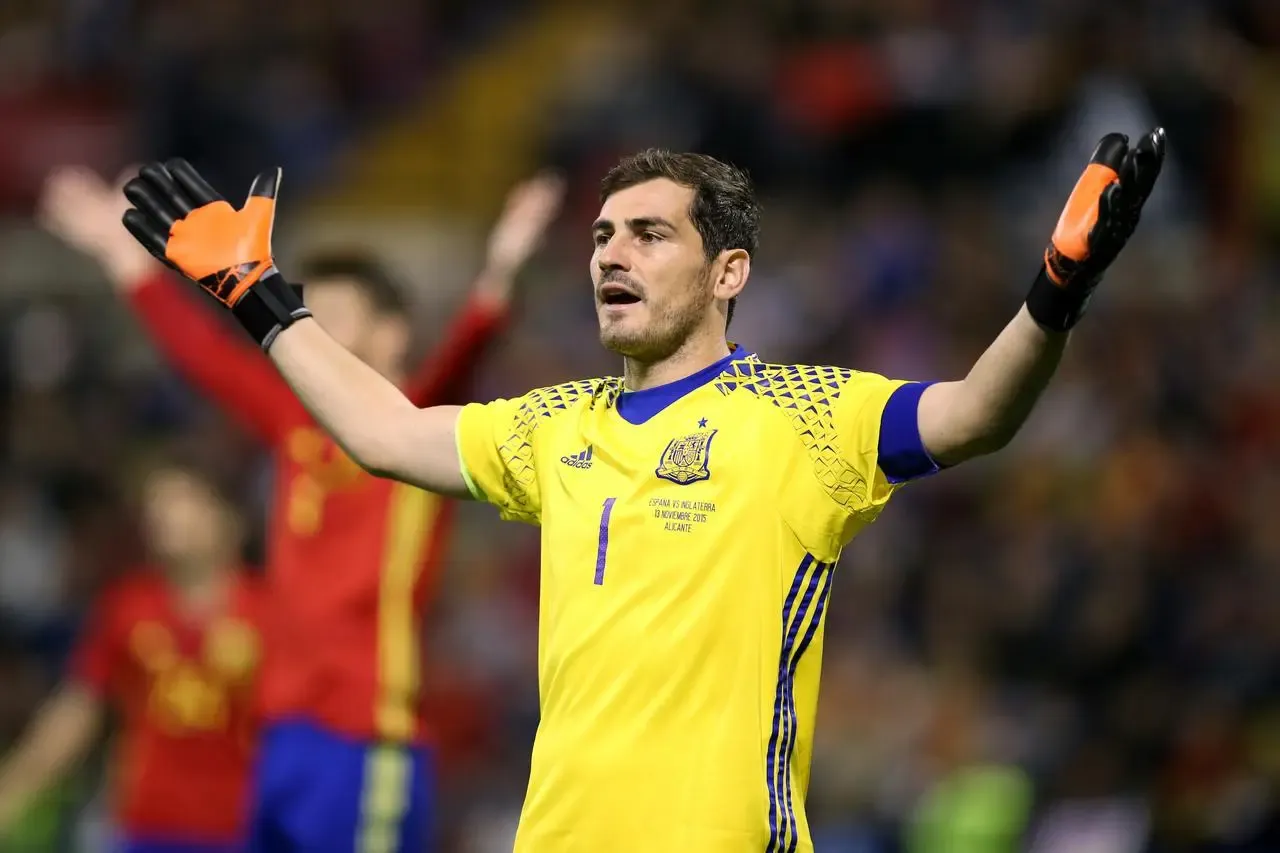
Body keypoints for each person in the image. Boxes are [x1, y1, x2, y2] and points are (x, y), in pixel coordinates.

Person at [115, 130, 1165, 852]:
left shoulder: (805, 413)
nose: (611, 254)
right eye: (601, 237)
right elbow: (383, 432)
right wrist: (259, 299)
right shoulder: (552, 424)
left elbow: (977, 413)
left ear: (728, 272)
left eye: (648, 234)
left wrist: (1053, 295)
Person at [39, 166, 564, 853]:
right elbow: (205, 356)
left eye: (338, 317)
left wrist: (502, 271)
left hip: (367, 735)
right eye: (313, 312)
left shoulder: (418, 422)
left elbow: (469, 346)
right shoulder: (296, 421)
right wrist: (121, 259)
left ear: (393, 336)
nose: (311, 333)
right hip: (281, 734)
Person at [0, 455, 265, 853]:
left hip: (242, 827)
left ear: (229, 518)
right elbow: (78, 711)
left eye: (184, 502)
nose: (167, 517)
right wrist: (14, 789)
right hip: (146, 826)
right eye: (157, 506)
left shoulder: (270, 614)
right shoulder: (127, 607)